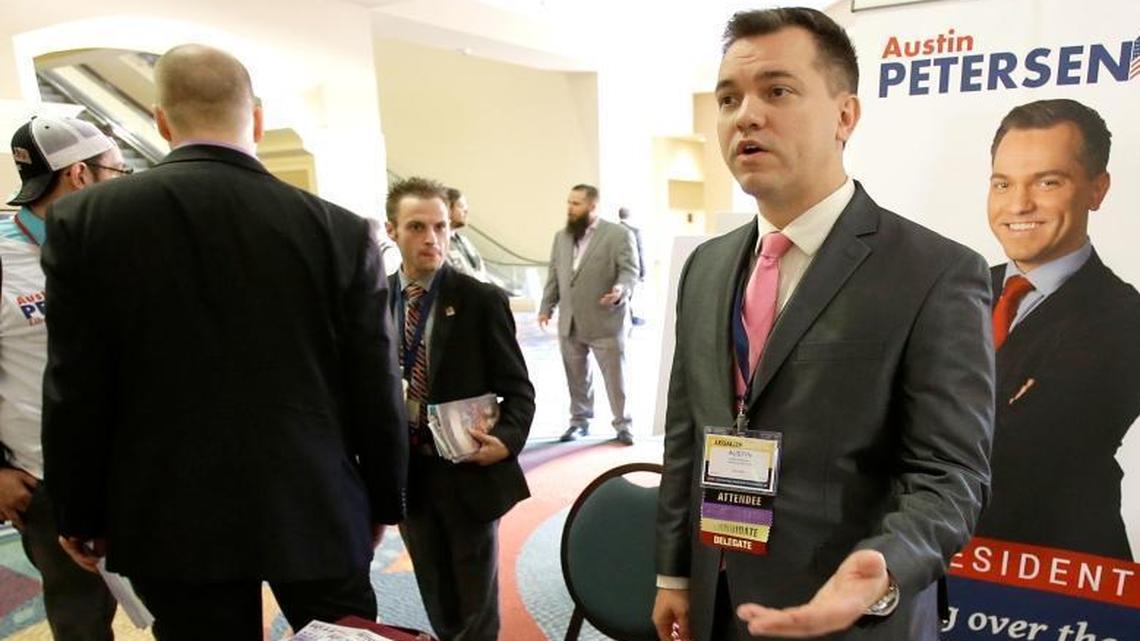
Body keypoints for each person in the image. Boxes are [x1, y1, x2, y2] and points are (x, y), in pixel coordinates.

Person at [40, 44, 408, 640]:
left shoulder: (84, 222)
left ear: (162, 121)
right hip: (314, 498)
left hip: (168, 511)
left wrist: (78, 509)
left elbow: (76, 384)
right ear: (257, 120)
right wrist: (385, 498)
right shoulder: (340, 232)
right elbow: (375, 381)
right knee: (340, 634)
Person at [652, 8, 994, 641]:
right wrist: (674, 573)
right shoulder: (706, 266)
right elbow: (685, 437)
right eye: (728, 99)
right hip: (717, 598)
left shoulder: (935, 273)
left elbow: (950, 474)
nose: (746, 116)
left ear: (845, 116)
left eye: (777, 91)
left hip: (849, 614)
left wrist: (885, 566)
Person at [974, 99, 1140, 561]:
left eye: (1047, 182)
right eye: (1003, 183)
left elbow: (1021, 446)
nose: (1018, 204)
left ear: (1097, 190)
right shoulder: (954, 292)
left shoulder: (1125, 321)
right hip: (935, 572)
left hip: (1054, 584)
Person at [385, 176, 535, 641]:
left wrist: (505, 442)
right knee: (436, 594)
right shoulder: (373, 301)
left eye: (441, 227)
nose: (432, 238)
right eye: (417, 227)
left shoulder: (479, 301)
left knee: (475, 606)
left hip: (467, 469)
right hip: (408, 474)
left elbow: (520, 391)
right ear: (392, 231)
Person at [1, 115, 127, 641]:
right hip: (51, 482)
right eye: (116, 171)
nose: (123, 182)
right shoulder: (4, 257)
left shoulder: (121, 242)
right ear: (79, 174)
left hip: (140, 466)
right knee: (82, 623)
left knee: (182, 605)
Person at [539, 184, 639, 445]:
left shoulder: (618, 235)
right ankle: (579, 422)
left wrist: (620, 290)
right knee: (576, 378)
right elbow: (554, 275)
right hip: (570, 322)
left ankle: (623, 424)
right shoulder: (562, 237)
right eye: (569, 202)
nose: (570, 208)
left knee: (616, 379)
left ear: (592, 206)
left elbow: (630, 271)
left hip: (606, 320)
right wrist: (546, 307)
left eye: (576, 204)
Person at [444, 187, 489, 282]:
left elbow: (480, 271)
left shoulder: (464, 241)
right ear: (446, 209)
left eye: (466, 207)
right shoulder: (439, 244)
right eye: (461, 206)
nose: (466, 211)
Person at [618, 206, 647, 326]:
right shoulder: (635, 231)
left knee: (621, 295)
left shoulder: (612, 231)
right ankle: (628, 319)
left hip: (616, 270)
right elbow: (640, 252)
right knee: (628, 295)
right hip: (631, 270)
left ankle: (624, 318)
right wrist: (643, 272)